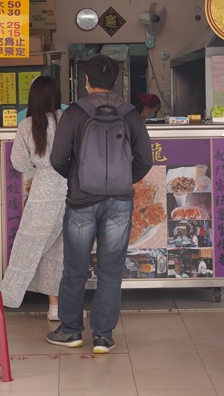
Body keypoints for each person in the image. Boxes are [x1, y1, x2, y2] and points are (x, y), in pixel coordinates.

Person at [46, 54, 153, 353]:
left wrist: (78, 178)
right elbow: (145, 160)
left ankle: (71, 330)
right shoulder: (130, 113)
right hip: (119, 203)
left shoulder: (75, 113)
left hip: (81, 201)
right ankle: (103, 336)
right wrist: (122, 180)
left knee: (75, 269)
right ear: (116, 81)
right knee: (110, 270)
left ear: (86, 81)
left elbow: (57, 158)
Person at [0, 76, 69, 321]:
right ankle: (56, 308)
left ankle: (7, 298)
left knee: (26, 249)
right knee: (58, 253)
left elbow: (19, 163)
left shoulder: (27, 125)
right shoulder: (68, 120)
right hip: (70, 191)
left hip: (43, 192)